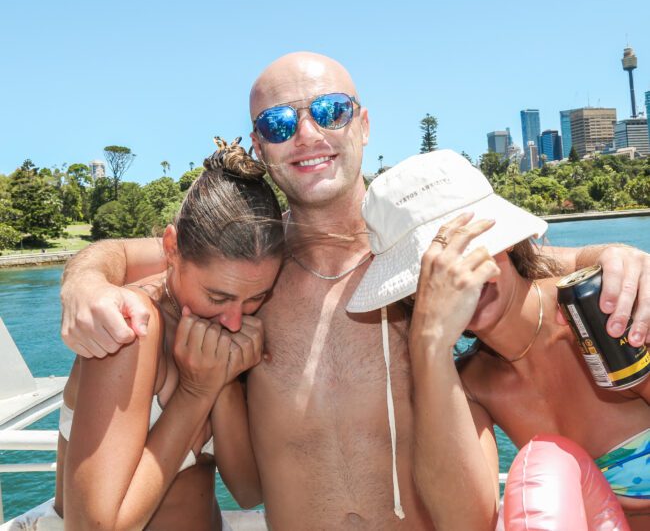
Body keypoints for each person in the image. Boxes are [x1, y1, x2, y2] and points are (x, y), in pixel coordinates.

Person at [60, 52, 650, 529]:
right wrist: (85, 278)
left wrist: (616, 255)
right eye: (280, 124)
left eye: (331, 110)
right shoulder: (251, 273)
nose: (308, 134)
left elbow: (528, 258)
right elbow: (140, 256)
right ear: (261, 147)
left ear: (364, 124)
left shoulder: (417, 255)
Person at [347, 149, 649, 530]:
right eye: (435, 274)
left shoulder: (603, 310)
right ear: (414, 296)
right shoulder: (472, 385)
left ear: (504, 240)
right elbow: (465, 523)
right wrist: (430, 346)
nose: (463, 279)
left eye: (471, 250)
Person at [40, 139, 283, 531]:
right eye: (217, 295)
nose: (236, 320)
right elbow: (92, 527)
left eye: (256, 298)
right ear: (171, 248)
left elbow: (248, 490)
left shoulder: (219, 333)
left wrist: (222, 383)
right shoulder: (134, 327)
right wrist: (195, 394)